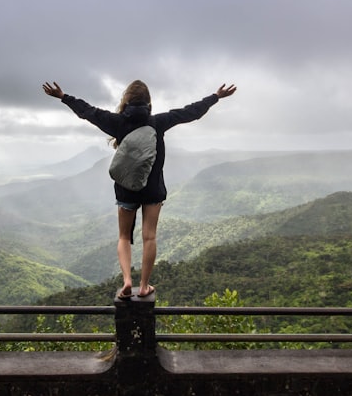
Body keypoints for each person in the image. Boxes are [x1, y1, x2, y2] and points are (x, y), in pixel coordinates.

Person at [42, 79, 237, 300]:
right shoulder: (159, 122)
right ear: (148, 102)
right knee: (149, 237)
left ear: (126, 101)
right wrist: (215, 97)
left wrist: (63, 97)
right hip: (153, 190)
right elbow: (190, 112)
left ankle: (127, 281)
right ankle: (144, 286)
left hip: (126, 190)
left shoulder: (115, 122)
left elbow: (88, 112)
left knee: (124, 237)